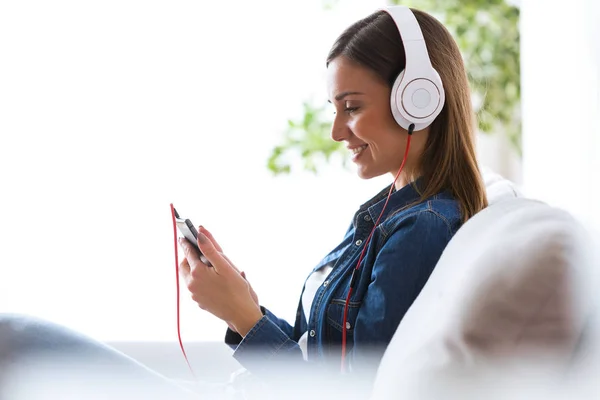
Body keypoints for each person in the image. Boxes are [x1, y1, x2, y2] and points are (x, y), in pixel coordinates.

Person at [0, 6, 487, 399]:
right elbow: (313, 354)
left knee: (14, 338)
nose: (338, 131)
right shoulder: (389, 212)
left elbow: (348, 390)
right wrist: (241, 303)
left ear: (419, 99)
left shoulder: (420, 228)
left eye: (352, 107)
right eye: (334, 109)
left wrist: (242, 318)